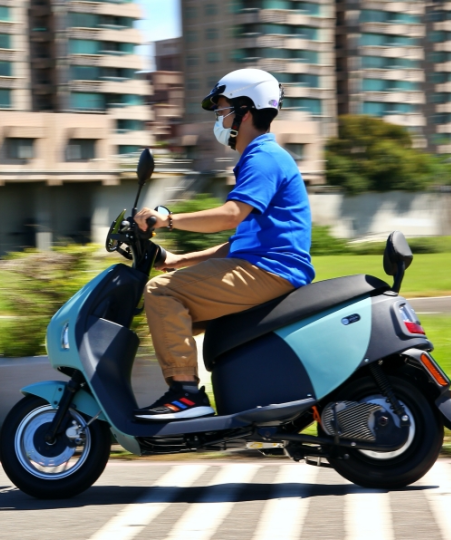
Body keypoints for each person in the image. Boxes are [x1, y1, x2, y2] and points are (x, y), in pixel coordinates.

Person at [132, 68, 315, 421]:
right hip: (261, 267)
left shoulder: (263, 158)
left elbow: (230, 215)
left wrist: (166, 219)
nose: (219, 118)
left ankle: (185, 396)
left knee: (162, 294)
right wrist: (177, 260)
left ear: (245, 112)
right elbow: (237, 246)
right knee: (172, 310)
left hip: (270, 272)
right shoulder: (261, 159)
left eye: (222, 109)